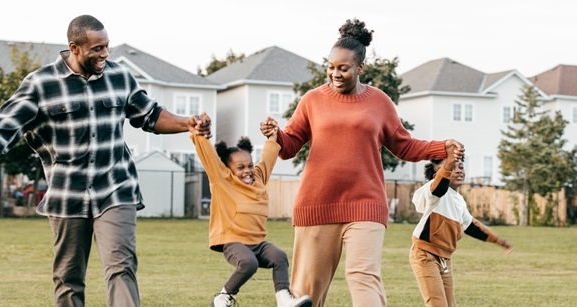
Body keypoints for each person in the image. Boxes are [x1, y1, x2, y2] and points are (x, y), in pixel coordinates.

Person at [0, 14, 210, 307]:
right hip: (68, 193)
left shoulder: (120, 77)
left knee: (121, 267)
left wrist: (187, 123)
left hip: (116, 187)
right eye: (97, 49)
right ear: (74, 48)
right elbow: (3, 127)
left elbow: (150, 115)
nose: (105, 54)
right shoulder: (41, 84)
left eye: (107, 47)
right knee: (68, 277)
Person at [259, 19, 464, 307]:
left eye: (343, 68)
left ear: (360, 68)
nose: (335, 73)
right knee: (307, 291)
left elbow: (403, 144)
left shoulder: (379, 102)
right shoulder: (312, 100)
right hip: (317, 204)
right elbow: (290, 144)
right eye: (331, 67)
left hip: (366, 204)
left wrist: (441, 147)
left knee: (364, 277)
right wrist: (276, 135)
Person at [188, 113, 312, 307]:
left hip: (257, 243)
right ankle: (222, 298)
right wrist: (199, 133)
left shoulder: (258, 179)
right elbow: (208, 157)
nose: (247, 171)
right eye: (240, 167)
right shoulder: (222, 181)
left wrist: (273, 136)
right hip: (232, 241)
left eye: (250, 165)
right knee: (249, 263)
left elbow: (269, 157)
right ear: (228, 170)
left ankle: (284, 298)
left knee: (279, 256)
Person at [409, 157, 513, 307]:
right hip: (425, 254)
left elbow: (472, 225)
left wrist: (498, 240)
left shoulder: (459, 200)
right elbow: (439, 185)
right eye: (451, 167)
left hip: (445, 259)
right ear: (436, 175)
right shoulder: (434, 190)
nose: (458, 170)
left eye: (461, 167)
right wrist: (450, 156)